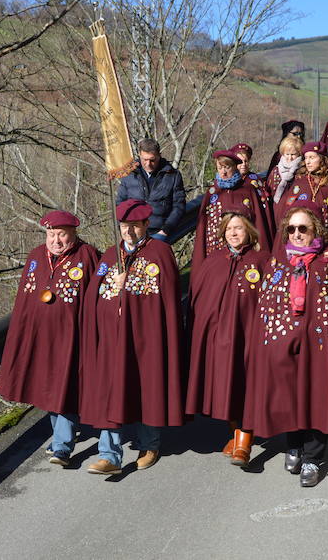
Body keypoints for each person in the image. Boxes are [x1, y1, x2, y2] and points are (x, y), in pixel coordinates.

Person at [242, 202, 328, 487]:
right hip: (284, 342)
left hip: (319, 346)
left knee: (317, 397)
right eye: (291, 229)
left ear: (316, 228)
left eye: (303, 228)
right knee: (289, 395)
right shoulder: (279, 261)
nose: (296, 234)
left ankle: (313, 458)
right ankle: (294, 444)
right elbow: (267, 305)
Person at [79, 199, 185, 475]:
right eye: (124, 227)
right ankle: (109, 454)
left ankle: (149, 443)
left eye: (135, 227)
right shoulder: (111, 254)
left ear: (146, 225)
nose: (129, 232)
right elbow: (95, 293)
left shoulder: (159, 252)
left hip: (145, 337)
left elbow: (164, 296)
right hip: (112, 337)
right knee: (110, 390)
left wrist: (131, 284)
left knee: (145, 388)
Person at [0, 210, 100, 467]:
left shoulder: (87, 256)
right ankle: (60, 437)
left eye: (61, 235)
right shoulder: (35, 257)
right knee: (48, 389)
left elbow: (98, 296)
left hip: (71, 339)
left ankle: (62, 447)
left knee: (64, 387)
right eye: (51, 235)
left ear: (73, 234)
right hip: (40, 339)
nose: (56, 241)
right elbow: (24, 302)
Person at [185, 207, 268, 466]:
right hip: (219, 340)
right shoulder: (213, 262)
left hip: (249, 339)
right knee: (226, 386)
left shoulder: (262, 261)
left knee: (245, 384)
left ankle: (244, 439)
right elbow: (200, 301)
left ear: (249, 232)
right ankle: (236, 432)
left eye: (238, 228)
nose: (233, 233)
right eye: (229, 229)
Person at [192, 149, 274, 275]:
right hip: (216, 249)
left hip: (244, 248)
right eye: (220, 168)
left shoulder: (247, 190)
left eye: (227, 167)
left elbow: (258, 222)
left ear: (235, 167)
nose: (223, 172)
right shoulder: (213, 192)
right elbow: (204, 224)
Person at [272, 141, 328, 253]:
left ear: (322, 159)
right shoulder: (299, 184)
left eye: (312, 157)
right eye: (306, 158)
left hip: (327, 242)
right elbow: (287, 212)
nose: (308, 162)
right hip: (300, 240)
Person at [117, 138, 186, 242]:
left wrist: (166, 230)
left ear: (159, 155)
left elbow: (179, 205)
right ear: (139, 155)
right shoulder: (129, 174)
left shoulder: (172, 175)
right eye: (144, 160)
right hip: (133, 233)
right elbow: (120, 204)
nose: (148, 164)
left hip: (159, 233)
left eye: (152, 160)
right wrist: (124, 229)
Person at [266, 135, 303, 212]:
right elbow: (269, 190)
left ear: (299, 154)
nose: (290, 158)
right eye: (287, 154)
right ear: (283, 153)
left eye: (293, 154)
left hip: (296, 210)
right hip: (277, 209)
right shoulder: (276, 170)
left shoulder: (302, 171)